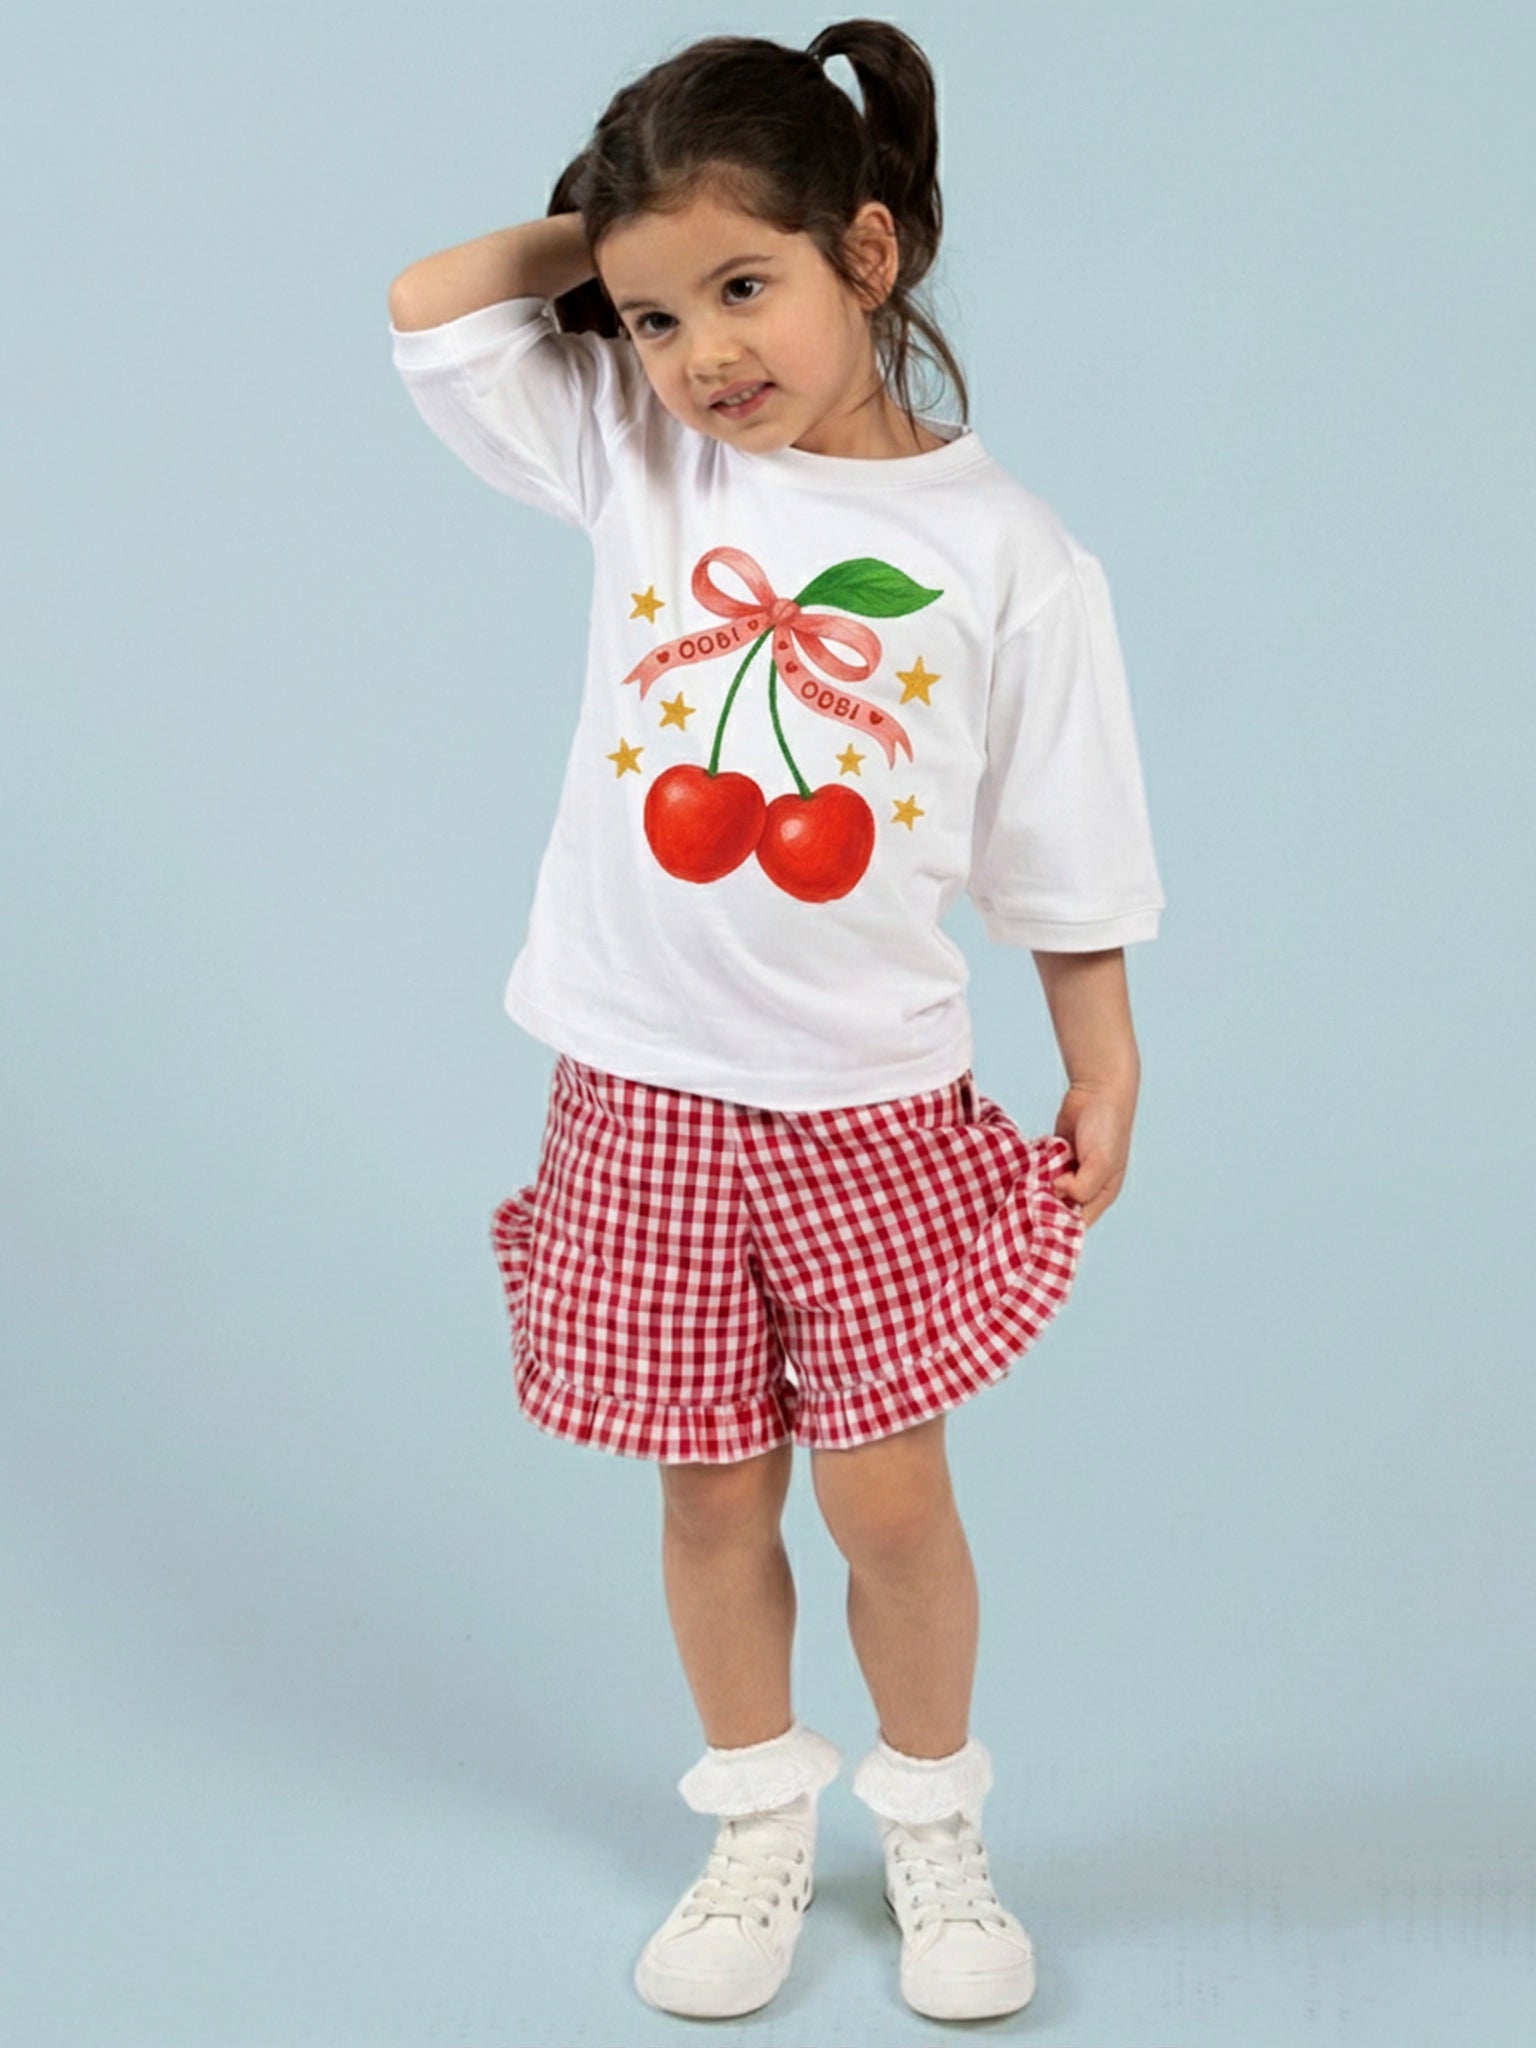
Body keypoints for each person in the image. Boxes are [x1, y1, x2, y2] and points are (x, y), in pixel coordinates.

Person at [387, 17, 1165, 2026]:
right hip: (639, 1093)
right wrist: (597, 251)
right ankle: (752, 1816)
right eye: (652, 316)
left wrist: (1103, 1049)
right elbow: (426, 308)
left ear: (870, 254)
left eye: (744, 286)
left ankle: (931, 1820)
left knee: (886, 1493)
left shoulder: (1012, 559)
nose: (702, 350)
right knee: (707, 1484)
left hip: (867, 1109)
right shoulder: (642, 452)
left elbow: (1064, 850)